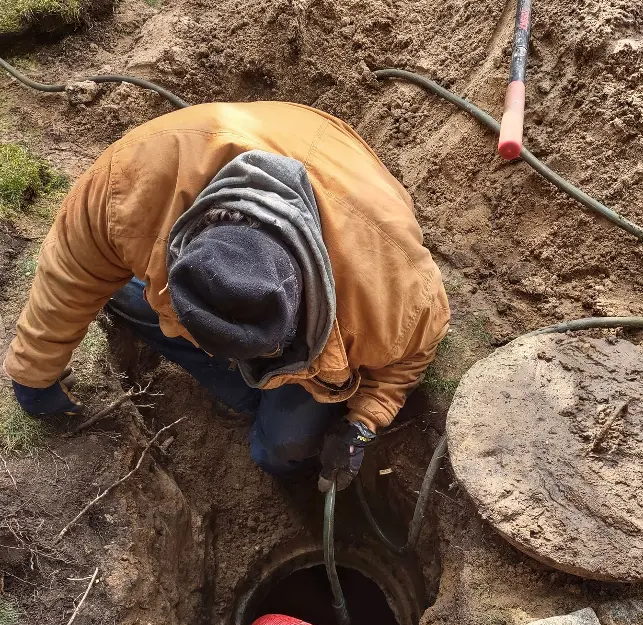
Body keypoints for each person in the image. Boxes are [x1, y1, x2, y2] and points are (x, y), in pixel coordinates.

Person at [3, 102, 449, 491]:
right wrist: (32, 370)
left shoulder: (393, 292)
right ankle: (252, 392)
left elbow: (414, 350)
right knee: (116, 289)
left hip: (333, 164)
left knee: (278, 451)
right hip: (222, 158)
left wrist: (362, 423)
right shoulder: (130, 184)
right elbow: (70, 272)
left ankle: (274, 426)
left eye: (263, 356)